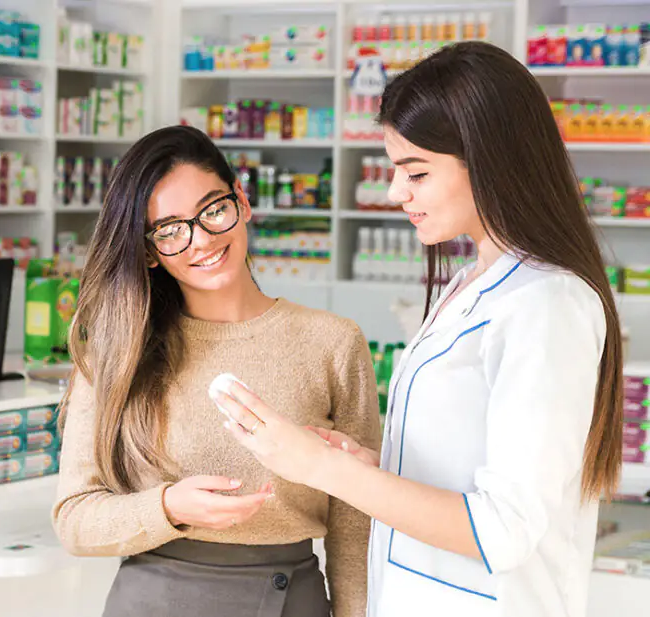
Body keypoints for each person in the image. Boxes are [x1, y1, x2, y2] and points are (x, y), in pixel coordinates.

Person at [216, 41, 623, 617]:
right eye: (394, 170)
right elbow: (467, 470)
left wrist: (319, 469)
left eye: (417, 172)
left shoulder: (546, 303)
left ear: (491, 161)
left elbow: (501, 530)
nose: (394, 193)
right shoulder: (471, 285)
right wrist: (374, 465)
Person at [51, 125, 381, 617]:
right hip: (152, 601)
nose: (201, 239)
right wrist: (169, 508)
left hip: (292, 599)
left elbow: (356, 524)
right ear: (148, 251)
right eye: (170, 230)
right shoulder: (118, 351)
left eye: (213, 210)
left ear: (241, 202)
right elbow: (74, 520)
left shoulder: (333, 341)